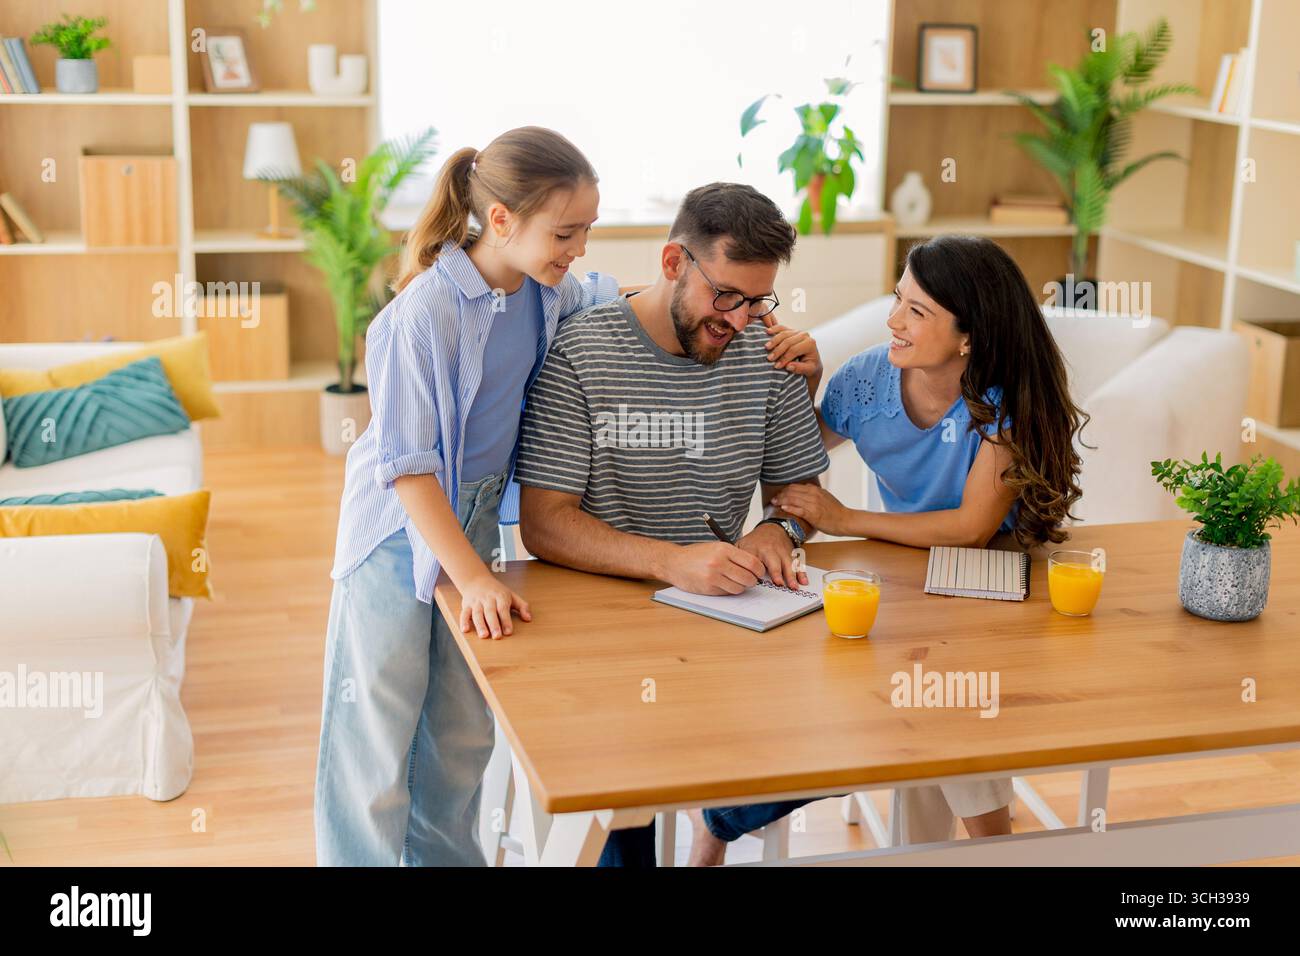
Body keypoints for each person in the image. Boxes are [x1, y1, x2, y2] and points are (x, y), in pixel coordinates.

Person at [687, 233, 1090, 864]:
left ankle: (985, 846)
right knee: (914, 715)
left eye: (917, 311)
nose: (893, 320)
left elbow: (968, 529)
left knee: (946, 710)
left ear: (969, 337)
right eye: (898, 299)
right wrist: (805, 385)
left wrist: (846, 517)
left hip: (989, 582)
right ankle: (979, 848)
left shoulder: (999, 402)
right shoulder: (871, 378)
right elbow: (793, 460)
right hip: (903, 577)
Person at [316, 126, 620, 867]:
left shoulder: (550, 294)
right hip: (398, 532)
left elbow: (617, 307)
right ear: (503, 220)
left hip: (477, 521)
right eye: (566, 232)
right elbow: (411, 471)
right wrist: (475, 575)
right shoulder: (421, 316)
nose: (577, 248)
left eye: (586, 232)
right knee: (377, 738)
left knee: (460, 734)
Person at [515, 182, 829, 866]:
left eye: (758, 300)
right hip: (607, 639)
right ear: (671, 264)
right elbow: (542, 525)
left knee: (837, 736)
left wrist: (780, 530)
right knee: (625, 803)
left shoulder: (766, 355)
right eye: (726, 296)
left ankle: (715, 817)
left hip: (730, 626)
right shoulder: (581, 354)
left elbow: (798, 494)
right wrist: (673, 561)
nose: (742, 320)